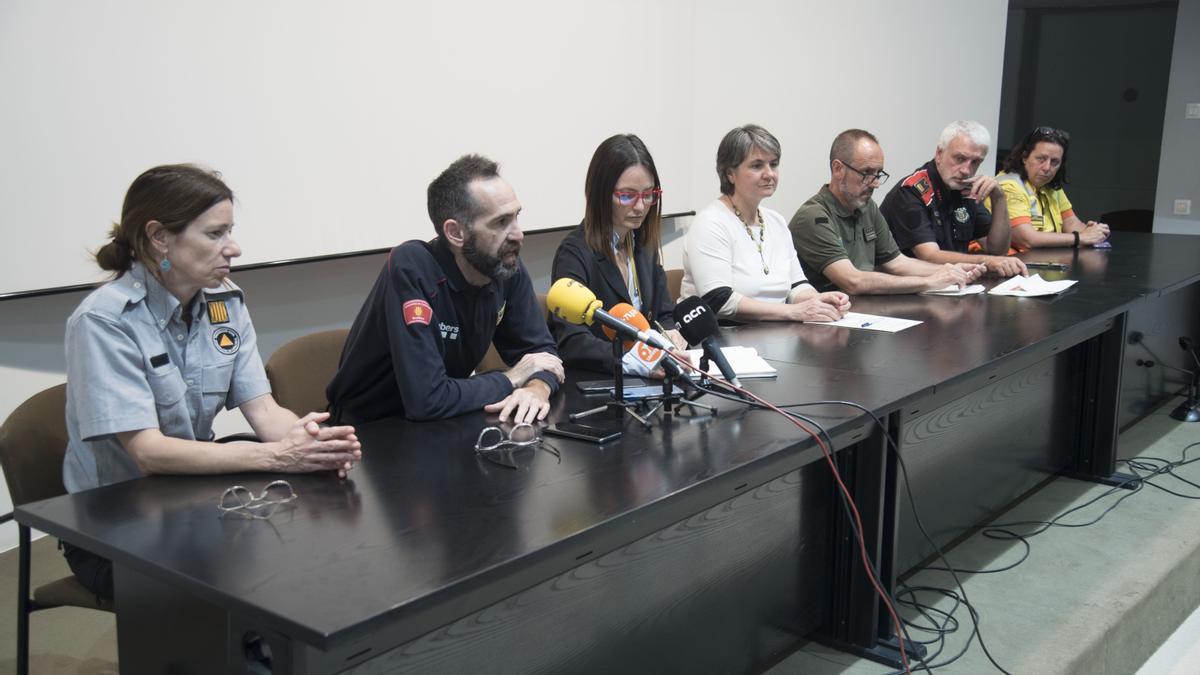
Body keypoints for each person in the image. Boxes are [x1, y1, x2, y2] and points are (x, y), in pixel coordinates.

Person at [63, 164, 362, 599]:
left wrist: (310, 442)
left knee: (308, 549)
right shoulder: (104, 321)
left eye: (230, 232)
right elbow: (147, 453)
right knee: (244, 579)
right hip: (114, 524)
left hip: (188, 497)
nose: (233, 248)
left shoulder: (225, 302)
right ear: (159, 237)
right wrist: (279, 458)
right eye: (215, 234)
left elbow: (263, 410)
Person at [326, 154, 564, 425]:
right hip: (369, 431)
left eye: (516, 217)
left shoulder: (504, 265)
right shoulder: (412, 267)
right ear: (455, 233)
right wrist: (512, 378)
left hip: (444, 423)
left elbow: (541, 354)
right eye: (500, 222)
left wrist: (536, 389)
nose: (518, 234)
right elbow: (427, 399)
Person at [680, 124, 850, 322]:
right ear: (729, 174)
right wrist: (794, 312)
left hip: (776, 333)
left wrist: (819, 300)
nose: (769, 174)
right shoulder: (710, 223)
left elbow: (796, 286)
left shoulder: (776, 221)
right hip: (724, 336)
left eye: (774, 164)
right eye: (757, 165)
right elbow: (719, 301)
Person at [549, 134, 689, 375]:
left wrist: (671, 334)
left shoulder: (643, 244)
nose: (640, 207)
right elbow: (573, 342)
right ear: (600, 194)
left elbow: (663, 314)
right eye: (627, 195)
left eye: (648, 195)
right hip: (600, 382)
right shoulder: (574, 253)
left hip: (650, 380)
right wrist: (636, 361)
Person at [789, 129, 985, 295]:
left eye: (878, 173)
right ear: (838, 169)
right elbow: (853, 281)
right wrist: (930, 281)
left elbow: (897, 263)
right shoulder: (814, 216)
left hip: (861, 314)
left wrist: (951, 270)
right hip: (822, 322)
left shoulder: (867, 206)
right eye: (867, 173)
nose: (875, 183)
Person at [880, 120, 1027, 277]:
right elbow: (930, 256)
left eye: (975, 162)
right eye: (959, 158)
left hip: (954, 284)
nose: (966, 170)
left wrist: (999, 198)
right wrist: (987, 261)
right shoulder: (911, 191)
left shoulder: (966, 189)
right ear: (939, 154)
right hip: (910, 289)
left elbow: (998, 250)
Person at [993, 126, 1110, 249]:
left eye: (1054, 162)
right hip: (1014, 262)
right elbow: (1027, 239)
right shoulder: (1009, 186)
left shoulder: (1051, 186)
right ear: (1024, 157)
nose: (1047, 167)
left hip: (1043, 260)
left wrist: (1092, 231)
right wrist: (1080, 237)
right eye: (1041, 159)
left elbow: (1070, 223)